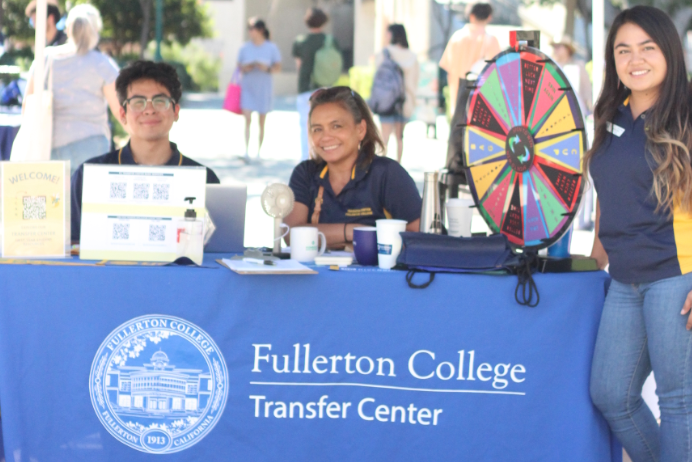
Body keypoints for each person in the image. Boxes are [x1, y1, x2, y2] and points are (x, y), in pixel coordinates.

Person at [586, 7, 692, 462]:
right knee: (611, 395)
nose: (635, 59)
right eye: (623, 49)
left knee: (676, 403)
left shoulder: (687, 116)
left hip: (676, 278)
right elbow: (610, 198)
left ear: (669, 51)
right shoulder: (611, 114)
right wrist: (590, 271)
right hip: (624, 281)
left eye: (647, 47)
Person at [70, 61, 221, 241]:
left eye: (160, 101)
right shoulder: (89, 176)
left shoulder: (205, 180)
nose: (149, 110)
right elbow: (72, 246)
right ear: (123, 114)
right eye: (138, 102)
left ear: (176, 111)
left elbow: (215, 252)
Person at [285, 87, 421, 248]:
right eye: (317, 129)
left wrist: (322, 236)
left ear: (360, 129)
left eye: (336, 126)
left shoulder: (387, 174)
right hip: (317, 273)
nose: (326, 137)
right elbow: (291, 235)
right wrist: (353, 232)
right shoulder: (305, 173)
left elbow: (418, 237)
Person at [23, 4, 122, 176]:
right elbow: (120, 110)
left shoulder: (46, 58)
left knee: (58, 202)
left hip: (54, 144)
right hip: (94, 144)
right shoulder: (103, 64)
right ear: (95, 30)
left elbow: (27, 105)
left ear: (68, 29)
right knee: (88, 202)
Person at [292, 7, 340, 162]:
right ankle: (324, 157)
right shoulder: (331, 41)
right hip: (326, 88)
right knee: (326, 127)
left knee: (305, 126)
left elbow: (299, 66)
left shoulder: (300, 41)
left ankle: (306, 160)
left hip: (306, 87)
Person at [439, 2, 500, 118]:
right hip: (482, 97)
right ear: (489, 17)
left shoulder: (456, 38)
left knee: (459, 132)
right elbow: (496, 73)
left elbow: (447, 69)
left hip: (457, 95)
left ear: (471, 15)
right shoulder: (491, 41)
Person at [238, 17, 281, 162]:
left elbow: (277, 67)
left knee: (261, 122)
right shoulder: (244, 48)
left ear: (261, 30)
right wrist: (247, 67)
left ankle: (258, 152)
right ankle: (246, 151)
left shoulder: (271, 48)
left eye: (252, 28)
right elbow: (239, 67)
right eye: (248, 29)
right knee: (247, 119)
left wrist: (266, 68)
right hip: (248, 88)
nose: (250, 32)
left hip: (264, 89)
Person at [374, 24, 419, 164]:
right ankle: (398, 166)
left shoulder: (385, 53)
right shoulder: (412, 56)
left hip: (387, 101)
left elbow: (378, 75)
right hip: (405, 101)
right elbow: (415, 80)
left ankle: (381, 168)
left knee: (384, 137)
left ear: (391, 35)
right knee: (400, 137)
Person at [551, 35, 593, 116]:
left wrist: (589, 108)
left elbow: (587, 91)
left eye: (559, 46)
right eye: (554, 46)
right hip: (555, 114)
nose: (555, 49)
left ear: (568, 49)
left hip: (575, 113)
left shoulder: (578, 66)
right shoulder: (551, 67)